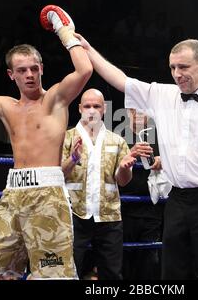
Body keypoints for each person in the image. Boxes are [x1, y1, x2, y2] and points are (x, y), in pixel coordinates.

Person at [75, 34, 198, 279]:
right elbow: (121, 80)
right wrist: (88, 48)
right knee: (173, 274)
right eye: (172, 67)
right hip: (177, 202)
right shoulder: (162, 95)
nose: (176, 73)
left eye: (183, 67)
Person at [0, 5, 92, 279]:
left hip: (48, 196)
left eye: (33, 68)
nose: (29, 74)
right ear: (11, 75)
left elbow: (84, 69)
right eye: (22, 70)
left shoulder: (55, 99)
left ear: (41, 69)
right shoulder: (6, 106)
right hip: (13, 194)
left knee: (52, 276)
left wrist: (64, 30)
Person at [61, 88, 137, 280]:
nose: (92, 110)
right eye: (87, 106)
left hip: (109, 215)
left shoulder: (117, 141)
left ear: (104, 109)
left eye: (96, 106)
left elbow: (123, 181)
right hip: (73, 213)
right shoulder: (66, 138)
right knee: (70, 271)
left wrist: (125, 167)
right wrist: (72, 159)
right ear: (79, 108)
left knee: (111, 273)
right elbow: (57, 174)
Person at [120, 108, 165, 280]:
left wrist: (164, 160)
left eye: (142, 109)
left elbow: (177, 161)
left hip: (151, 208)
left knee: (149, 264)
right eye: (134, 109)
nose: (138, 113)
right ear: (128, 112)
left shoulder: (160, 136)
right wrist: (129, 153)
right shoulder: (118, 137)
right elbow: (109, 168)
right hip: (123, 208)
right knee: (124, 262)